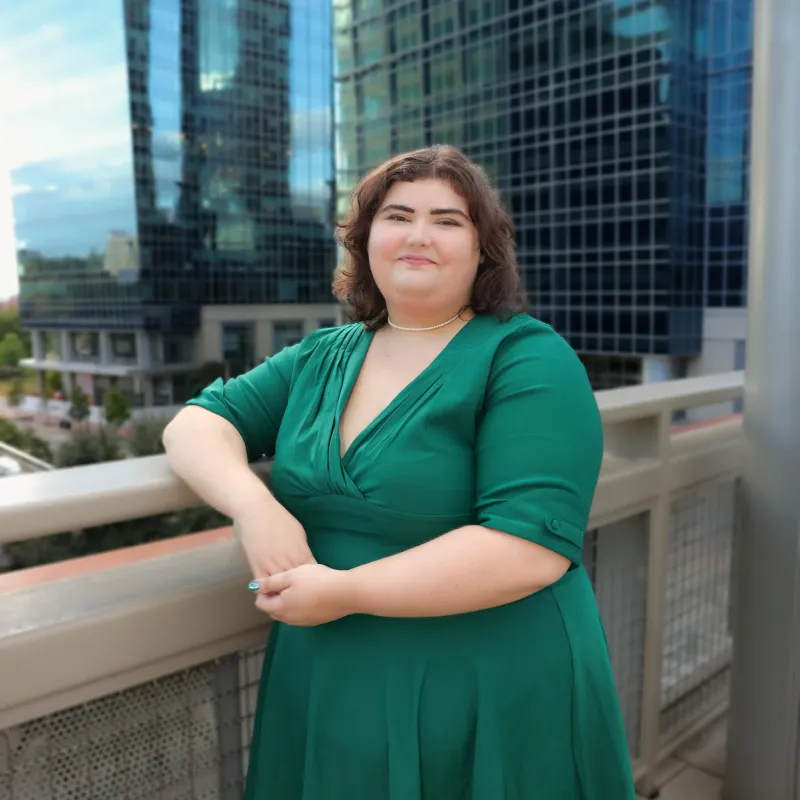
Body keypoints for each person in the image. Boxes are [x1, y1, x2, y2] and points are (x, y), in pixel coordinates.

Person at [163, 145, 635, 799]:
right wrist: (256, 506)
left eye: (448, 220)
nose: (418, 235)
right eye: (398, 215)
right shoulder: (322, 356)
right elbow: (194, 425)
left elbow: (529, 549)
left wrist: (344, 592)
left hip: (486, 675)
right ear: (364, 241)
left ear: (482, 250)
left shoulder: (526, 357)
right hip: (331, 669)